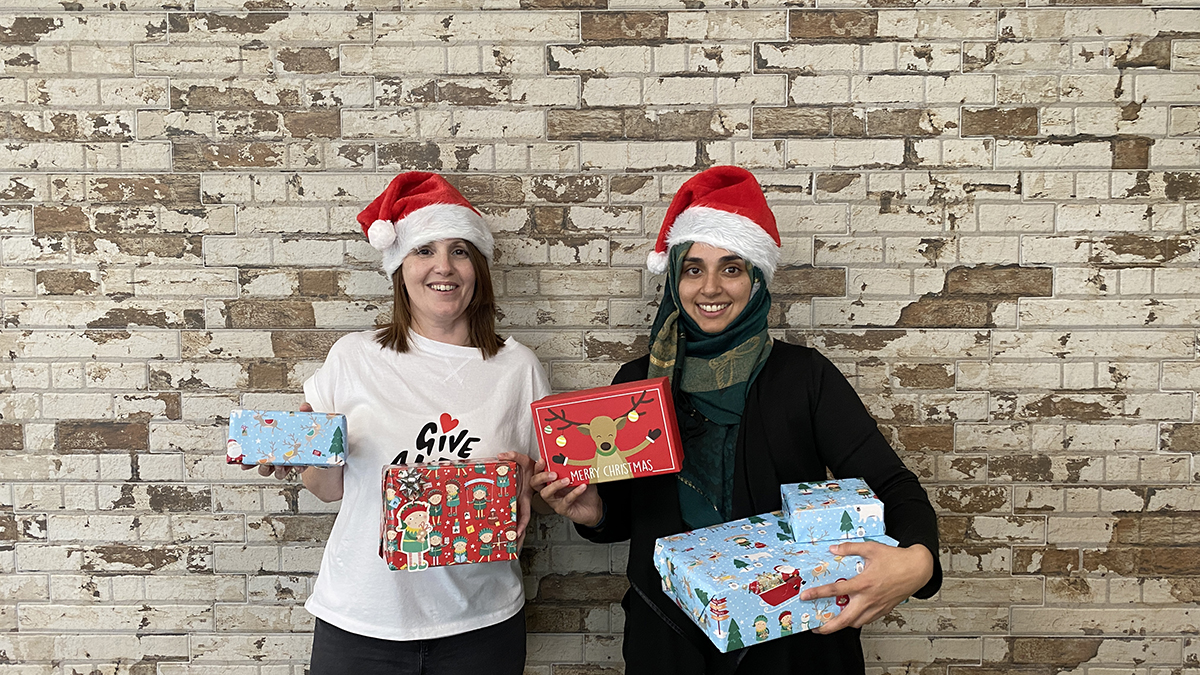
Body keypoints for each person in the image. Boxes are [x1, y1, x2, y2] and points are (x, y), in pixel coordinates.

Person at [532, 166, 942, 675]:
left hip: (793, 634)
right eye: (693, 268)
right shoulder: (638, 383)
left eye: (731, 268)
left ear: (756, 278)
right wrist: (593, 511)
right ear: (674, 277)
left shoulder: (803, 377)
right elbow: (625, 516)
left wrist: (917, 562)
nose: (710, 287)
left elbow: (893, 483)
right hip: (670, 636)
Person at [249, 172, 549, 675]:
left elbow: (543, 490)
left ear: (478, 267)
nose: (443, 267)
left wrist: (525, 484)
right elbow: (327, 490)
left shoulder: (518, 367)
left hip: (480, 620)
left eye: (459, 251)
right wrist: (309, 452)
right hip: (362, 619)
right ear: (399, 267)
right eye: (424, 250)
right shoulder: (353, 357)